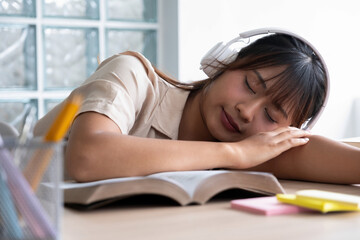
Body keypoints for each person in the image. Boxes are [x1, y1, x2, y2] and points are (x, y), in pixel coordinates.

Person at [33, 29, 360, 184]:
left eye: (271, 116)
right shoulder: (132, 74)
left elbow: (313, 153)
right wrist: (234, 155)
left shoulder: (248, 144)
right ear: (226, 63)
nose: (247, 111)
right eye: (249, 84)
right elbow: (87, 157)